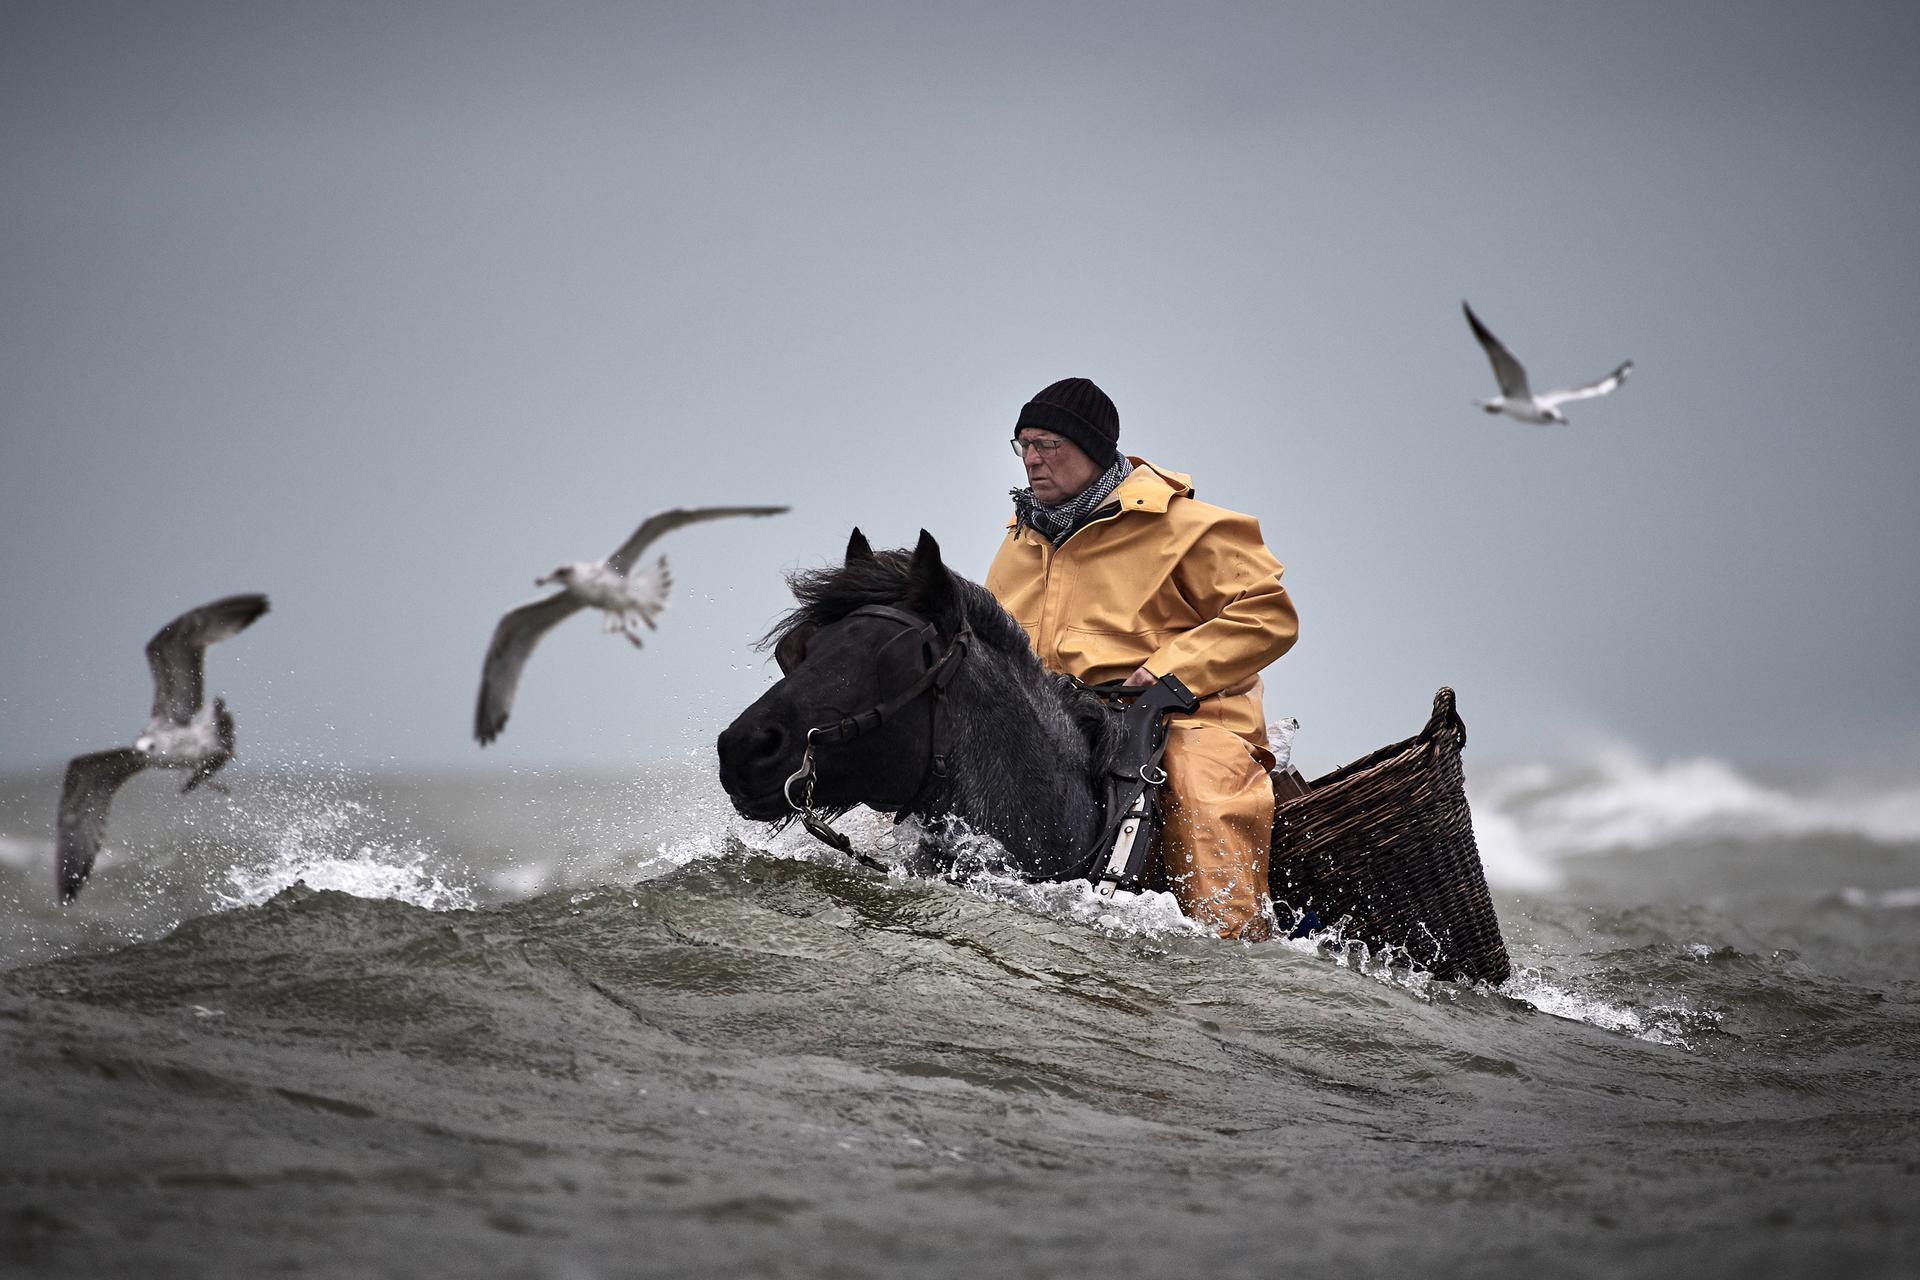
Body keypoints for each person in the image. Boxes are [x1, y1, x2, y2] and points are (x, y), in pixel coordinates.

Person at [984, 377, 1299, 940]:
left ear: (1095, 449)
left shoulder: (1189, 528)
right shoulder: (1020, 540)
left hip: (1184, 717)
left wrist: (1167, 673)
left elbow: (1269, 616)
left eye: (1048, 444)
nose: (1031, 460)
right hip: (1060, 717)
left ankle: (1229, 952)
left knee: (1201, 794)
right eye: (1023, 445)